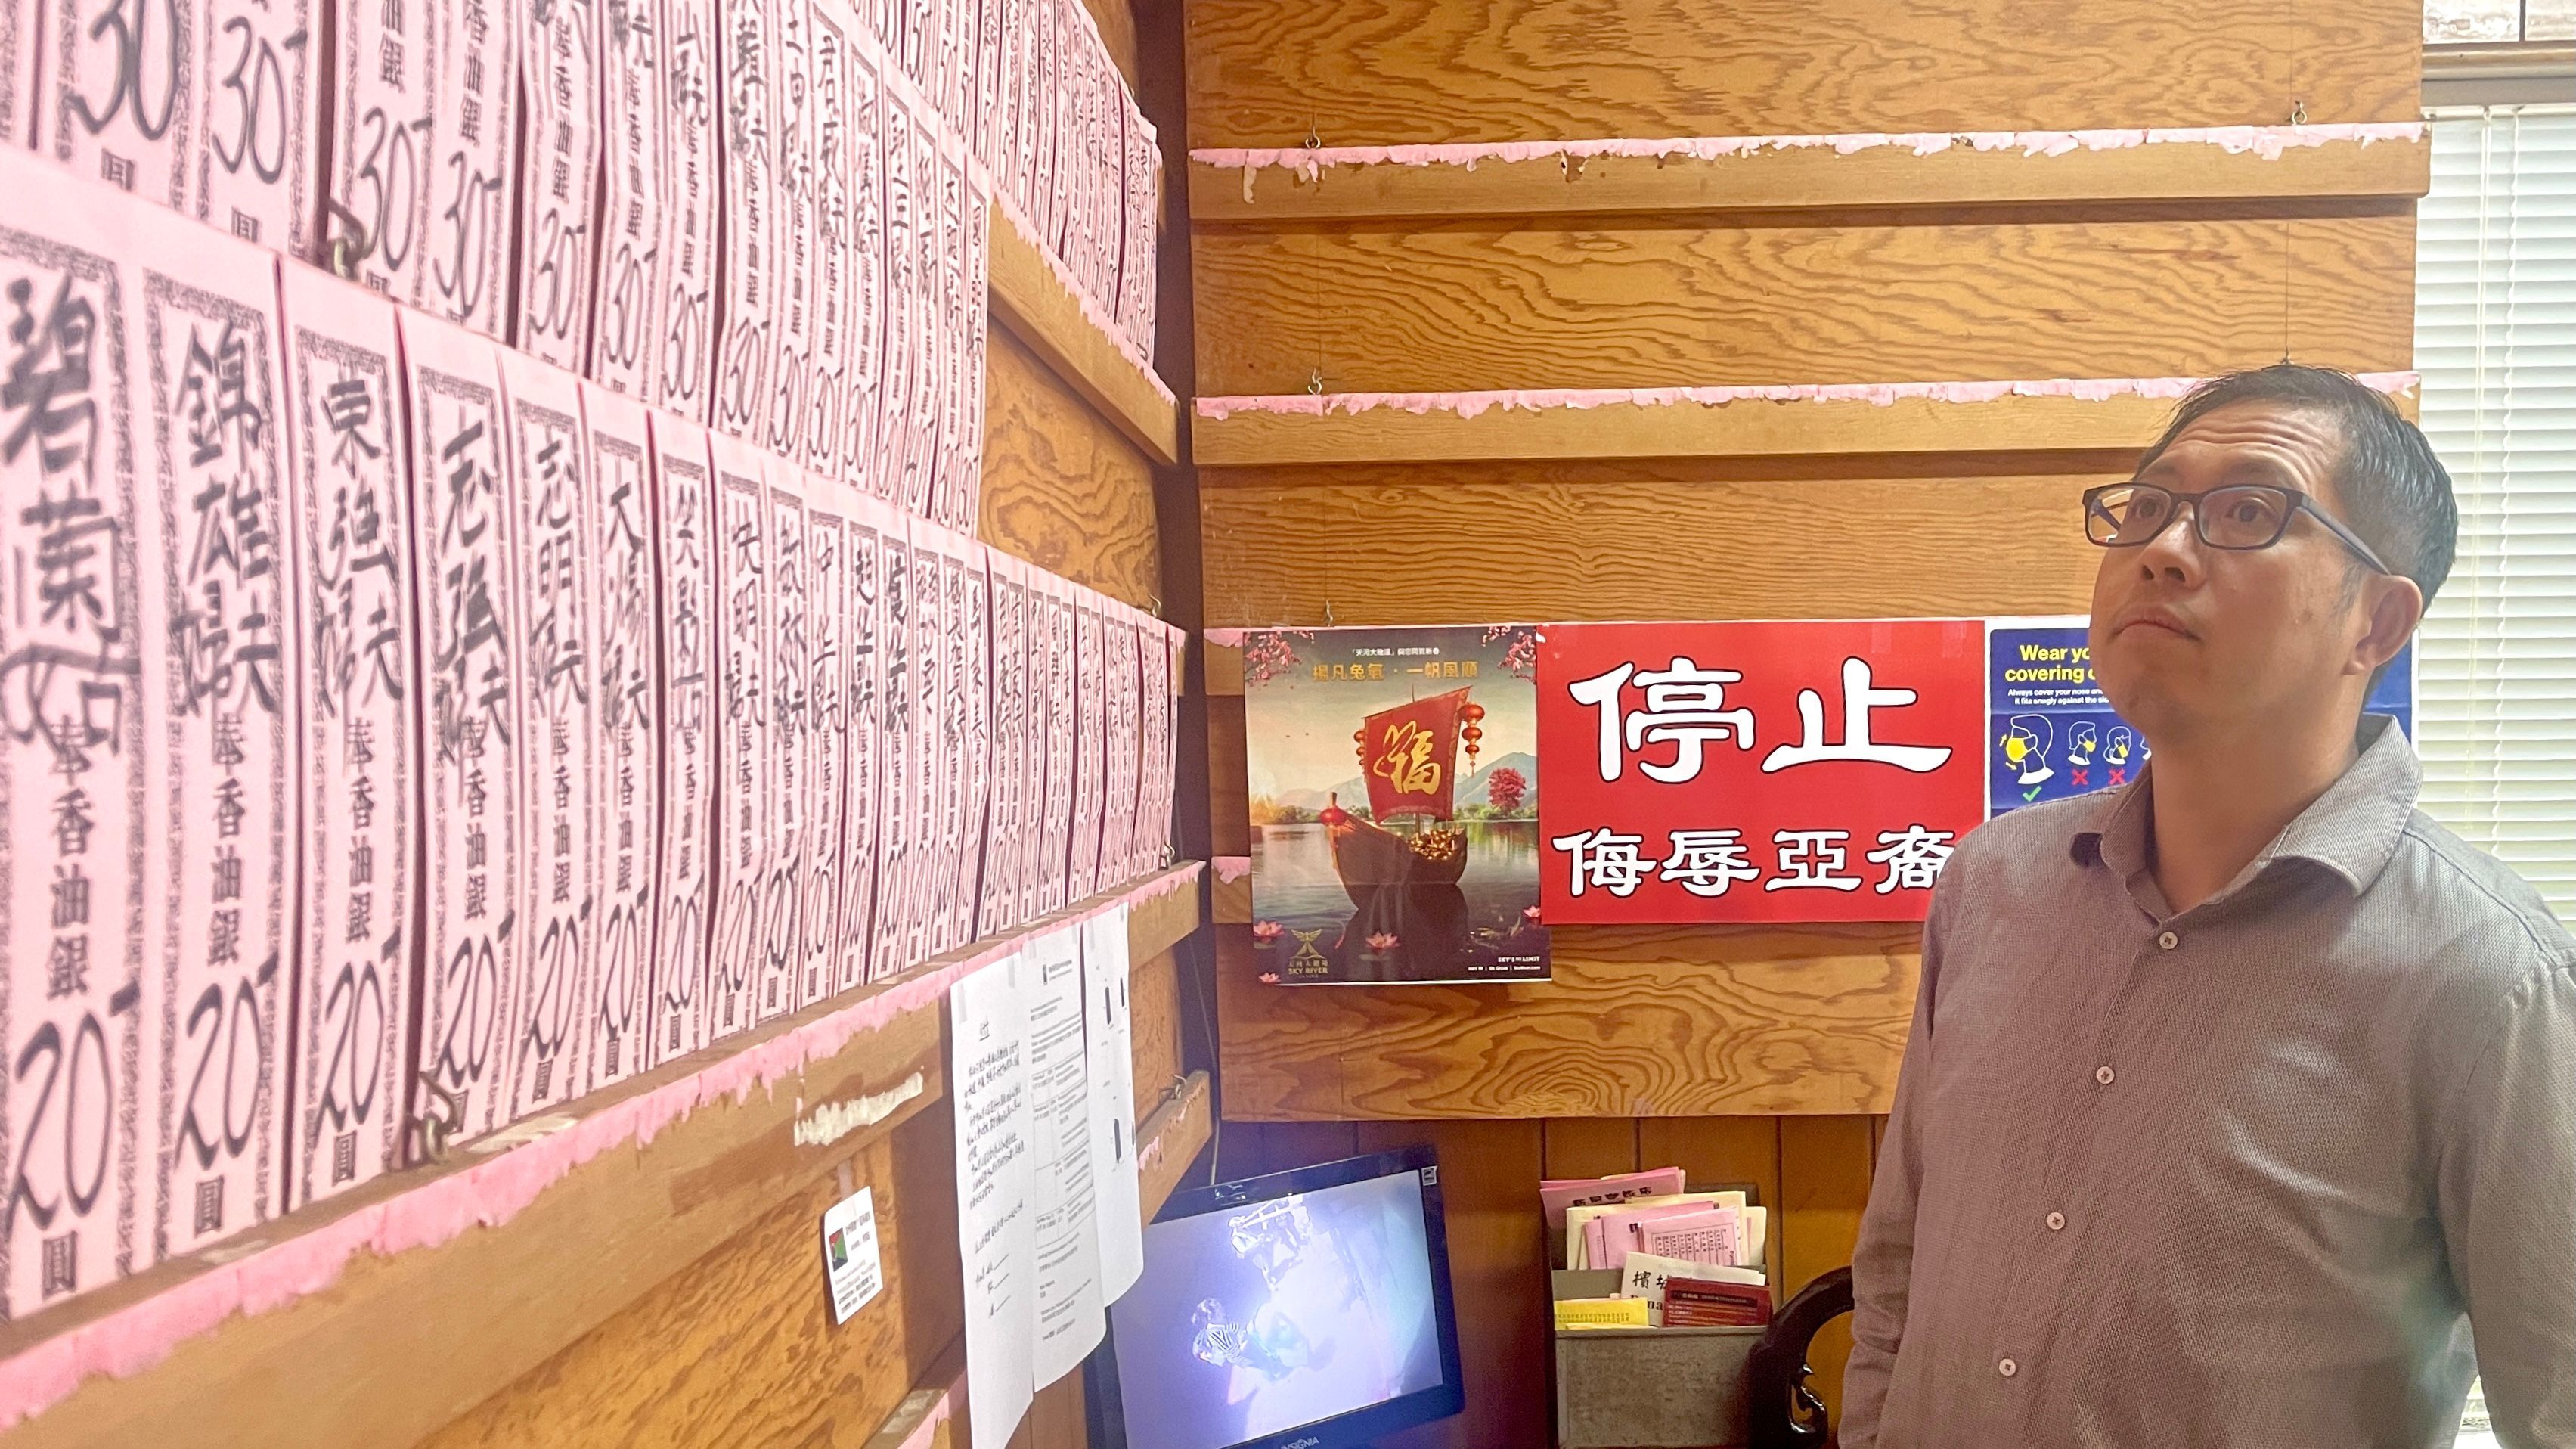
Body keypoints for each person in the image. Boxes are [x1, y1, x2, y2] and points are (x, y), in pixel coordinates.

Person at [1842, 364, 2576, 1449]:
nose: (2163, 549)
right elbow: (1899, 1269)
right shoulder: (1993, 883)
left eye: (2246, 512)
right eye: (2146, 507)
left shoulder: (2488, 973)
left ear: (2375, 621)